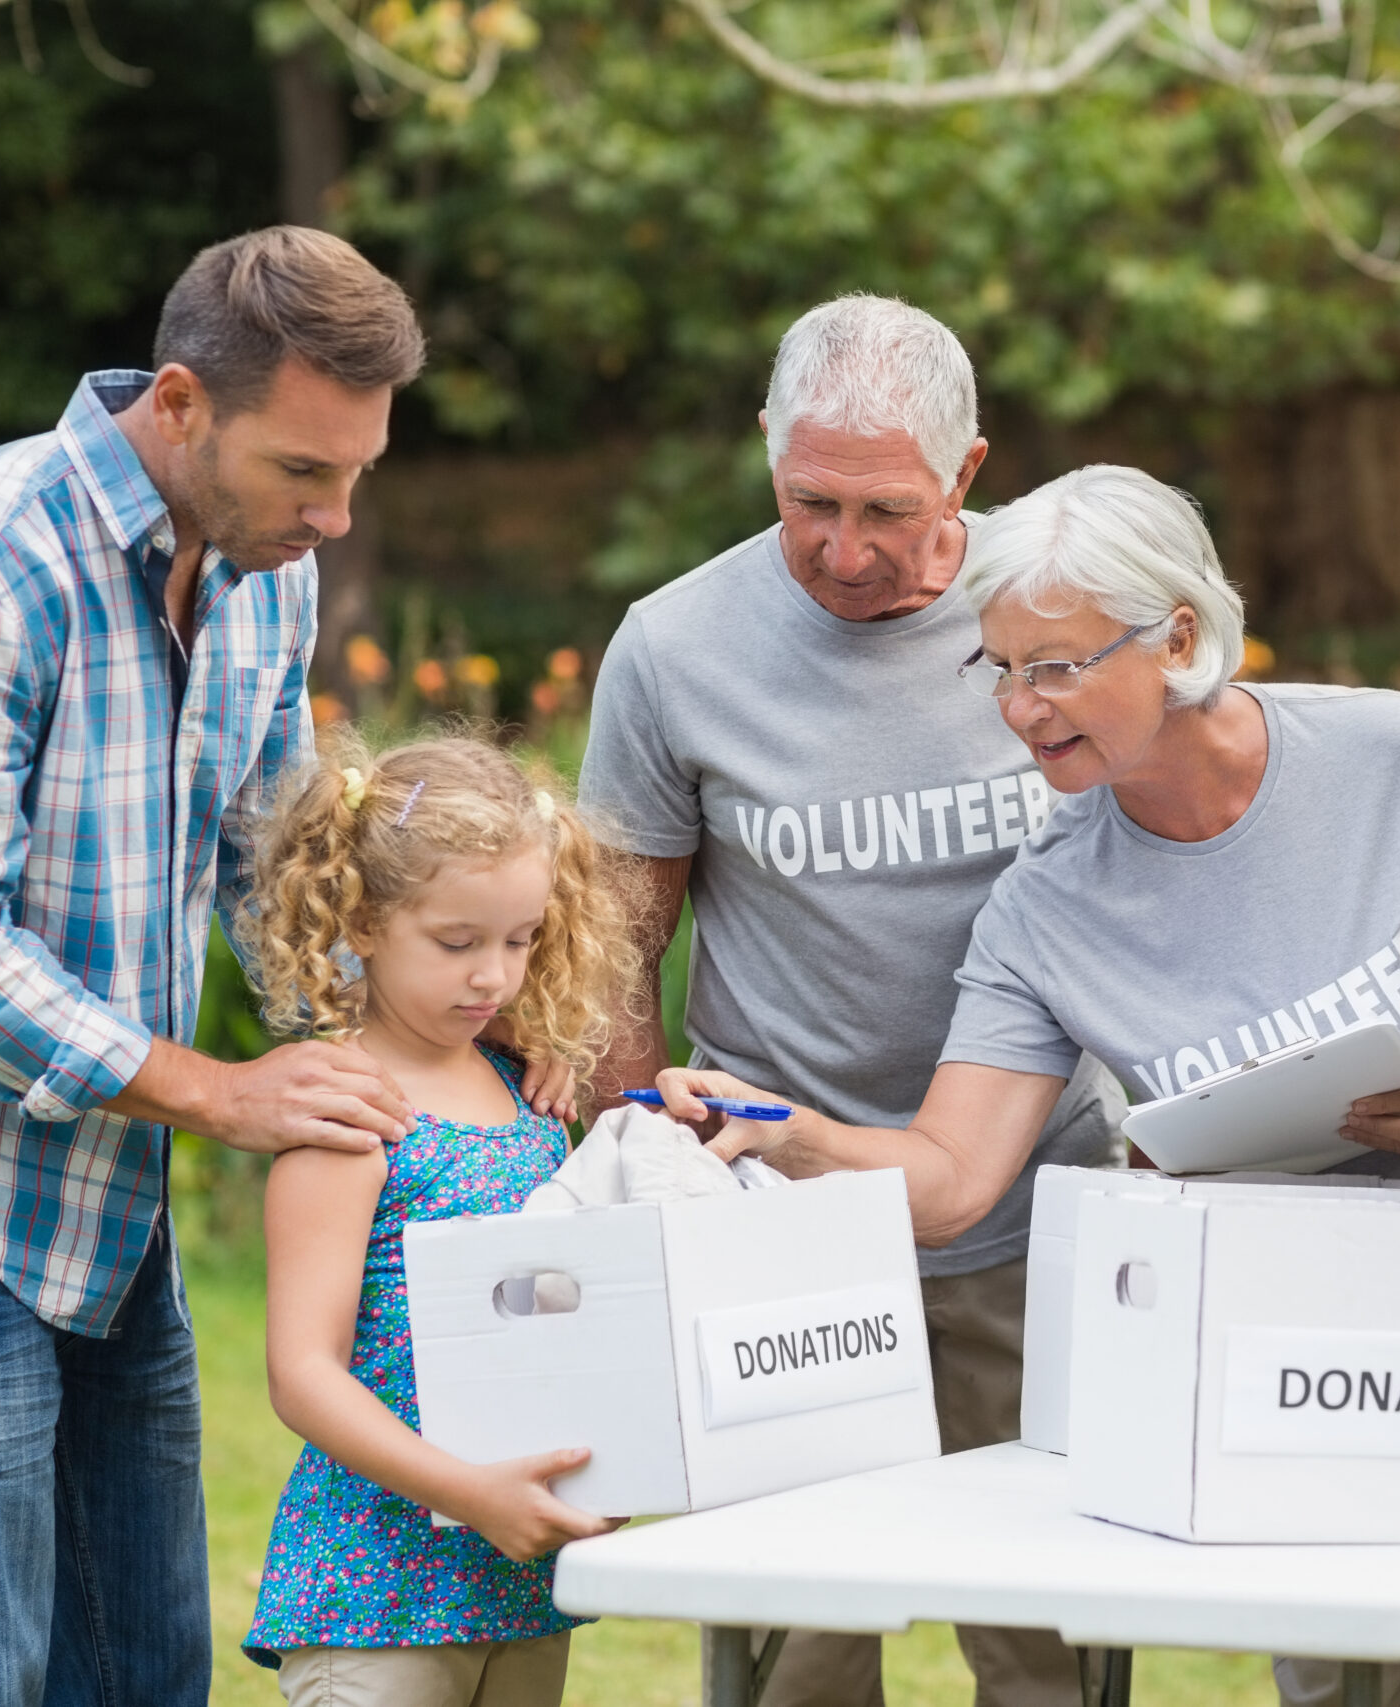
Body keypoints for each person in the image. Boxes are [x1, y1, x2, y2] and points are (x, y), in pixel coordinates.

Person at [661, 463, 1400, 1707]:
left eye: (1053, 666)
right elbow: (948, 1182)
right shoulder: (1042, 909)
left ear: (1182, 638)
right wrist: (786, 1136)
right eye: (995, 669)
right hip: (1287, 1327)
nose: (1019, 707)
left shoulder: (1391, 752)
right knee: (1334, 1684)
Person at [0, 226, 433, 1706]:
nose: (333, 516)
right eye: (303, 473)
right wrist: (224, 1095)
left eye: (358, 475)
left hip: (104, 1196)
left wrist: (431, 1058)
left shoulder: (268, 572)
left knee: (143, 1669)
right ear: (184, 405)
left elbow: (274, 870)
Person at [578, 294, 1118, 1707]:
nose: (844, 547)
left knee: (1051, 1647)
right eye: (808, 499)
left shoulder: (1058, 614)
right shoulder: (676, 645)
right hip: (781, 1226)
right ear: (766, 445)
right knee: (795, 1660)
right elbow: (615, 951)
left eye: (887, 508)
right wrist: (654, 1171)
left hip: (1037, 1205)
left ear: (969, 471)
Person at [240, 734, 634, 1705]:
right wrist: (467, 1494)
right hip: (375, 1593)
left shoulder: (527, 1091)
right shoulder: (348, 1115)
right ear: (364, 922)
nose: (493, 977)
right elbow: (302, 1373)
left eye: (521, 939)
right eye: (457, 944)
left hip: (517, 1583)